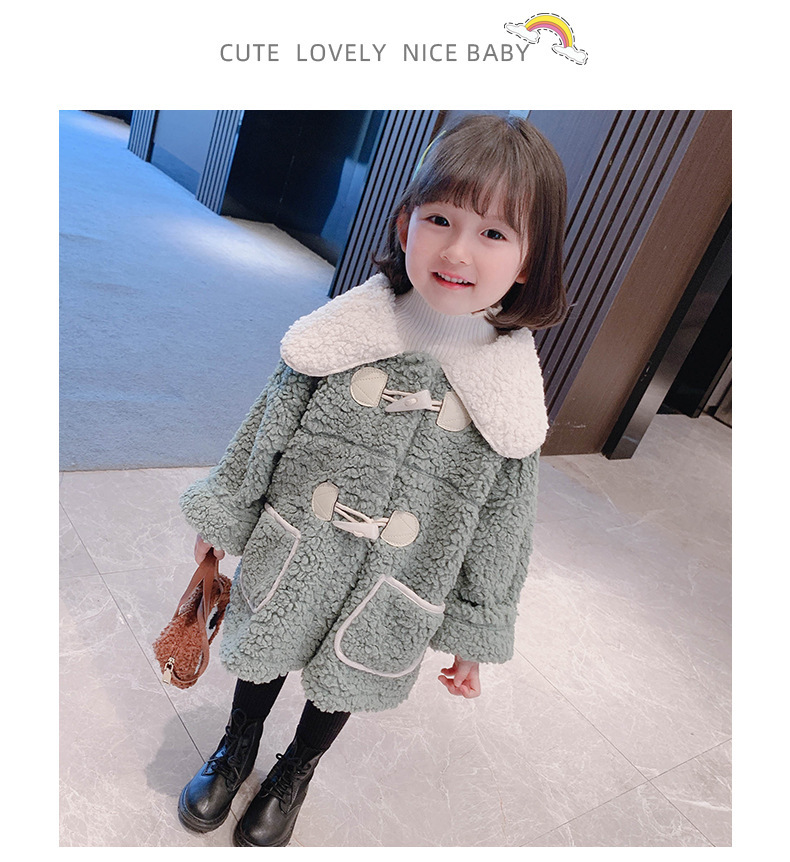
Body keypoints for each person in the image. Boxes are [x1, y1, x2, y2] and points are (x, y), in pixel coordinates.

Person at [176, 113, 569, 847]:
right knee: (266, 643)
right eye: (440, 219)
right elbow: (265, 429)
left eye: (493, 233)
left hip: (401, 576)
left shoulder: (510, 395)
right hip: (301, 543)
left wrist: (476, 629)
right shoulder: (338, 335)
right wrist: (225, 516)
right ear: (404, 222)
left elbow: (504, 530)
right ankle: (237, 746)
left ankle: (296, 770)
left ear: (527, 262)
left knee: (347, 672)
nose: (457, 250)